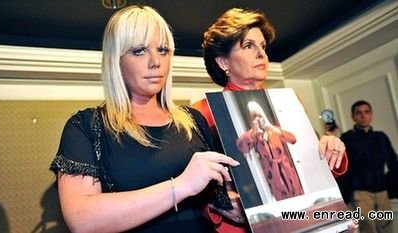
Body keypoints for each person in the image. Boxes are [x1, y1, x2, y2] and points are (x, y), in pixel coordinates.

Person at [49, 5, 240, 233]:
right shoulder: (86, 127)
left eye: (162, 50)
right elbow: (82, 220)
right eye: (139, 51)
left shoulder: (193, 120)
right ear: (116, 60)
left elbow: (206, 200)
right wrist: (180, 186)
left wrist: (225, 204)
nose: (155, 62)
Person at [192, 7, 349, 232]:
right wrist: (216, 204)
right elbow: (189, 190)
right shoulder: (202, 113)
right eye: (248, 46)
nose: (261, 54)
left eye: (262, 46)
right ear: (223, 62)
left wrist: (332, 148)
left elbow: (313, 165)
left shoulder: (288, 103)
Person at [338, 100, 397, 233]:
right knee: (367, 229)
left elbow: (393, 162)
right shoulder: (347, 138)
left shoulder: (381, 137)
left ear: (371, 115)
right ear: (353, 117)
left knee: (387, 227)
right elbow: (342, 166)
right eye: (358, 113)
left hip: (382, 191)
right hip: (360, 192)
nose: (363, 116)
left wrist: (391, 185)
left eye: (366, 112)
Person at [236, 101, 303, 201]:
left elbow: (293, 139)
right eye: (254, 117)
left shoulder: (273, 129)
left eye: (259, 115)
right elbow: (242, 147)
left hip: (286, 167)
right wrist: (253, 133)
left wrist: (274, 129)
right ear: (251, 119)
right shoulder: (253, 135)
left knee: (297, 192)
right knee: (281, 198)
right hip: (272, 172)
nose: (258, 119)